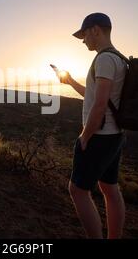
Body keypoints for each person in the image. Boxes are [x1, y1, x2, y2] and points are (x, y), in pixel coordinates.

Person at [57, 13, 127, 239]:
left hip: (99, 136)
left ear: (96, 30)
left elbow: (99, 105)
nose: (83, 40)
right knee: (110, 188)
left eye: (84, 34)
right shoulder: (120, 59)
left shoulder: (104, 59)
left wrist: (85, 136)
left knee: (77, 190)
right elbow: (98, 97)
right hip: (115, 134)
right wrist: (70, 82)